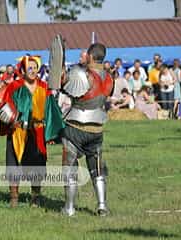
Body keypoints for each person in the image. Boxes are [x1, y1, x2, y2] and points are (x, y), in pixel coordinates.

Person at [0, 55, 64, 208]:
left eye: (35, 68)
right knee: (13, 164)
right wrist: (11, 121)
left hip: (37, 130)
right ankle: (14, 197)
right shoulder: (14, 86)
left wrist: (51, 134)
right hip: (18, 131)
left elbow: (51, 111)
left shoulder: (44, 87)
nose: (33, 71)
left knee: (37, 164)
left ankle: (36, 197)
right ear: (23, 70)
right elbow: (4, 106)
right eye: (29, 68)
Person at [61, 43, 113, 217]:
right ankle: (102, 205)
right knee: (97, 167)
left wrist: (60, 70)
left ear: (90, 56)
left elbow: (64, 86)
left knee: (69, 167)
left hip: (76, 126)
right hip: (97, 128)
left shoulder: (82, 74)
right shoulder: (109, 78)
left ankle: (69, 208)